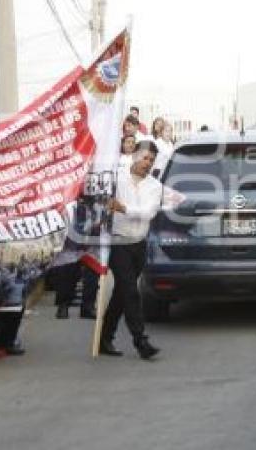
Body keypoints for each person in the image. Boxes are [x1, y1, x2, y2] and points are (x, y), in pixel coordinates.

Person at [100, 141, 162, 360]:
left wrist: (123, 208)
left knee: (121, 293)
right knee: (130, 291)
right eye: (145, 158)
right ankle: (140, 340)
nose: (148, 163)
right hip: (119, 243)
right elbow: (101, 200)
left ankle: (105, 336)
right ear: (135, 155)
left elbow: (147, 213)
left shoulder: (154, 186)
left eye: (152, 160)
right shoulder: (116, 178)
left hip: (139, 244)